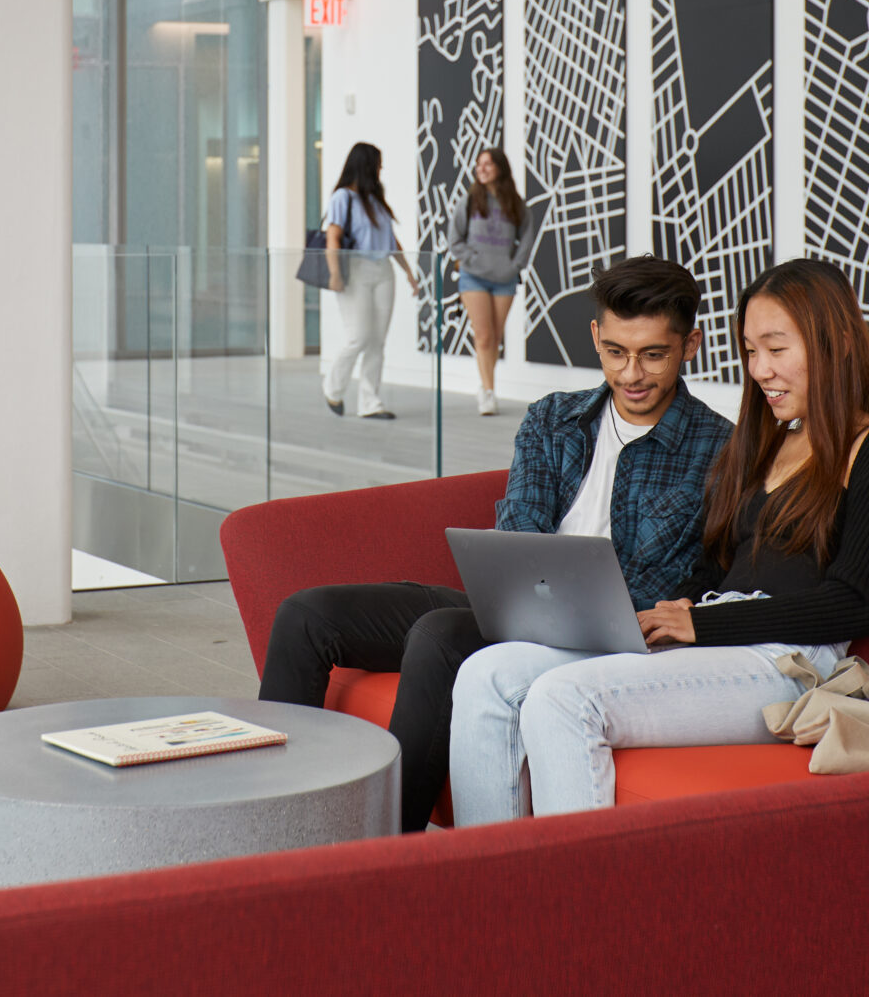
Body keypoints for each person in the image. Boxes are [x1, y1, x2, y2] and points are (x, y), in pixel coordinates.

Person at [448, 257, 869, 823]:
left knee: (564, 699)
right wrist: (678, 608)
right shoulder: (772, 442)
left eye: (776, 349)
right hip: (723, 639)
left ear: (836, 344)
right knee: (487, 674)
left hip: (790, 661)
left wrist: (703, 624)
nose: (759, 369)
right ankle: (480, 884)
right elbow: (725, 567)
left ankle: (575, 906)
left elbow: (857, 603)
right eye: (751, 351)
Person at [262, 255, 731, 832]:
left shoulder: (722, 451)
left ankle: (382, 855)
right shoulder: (554, 419)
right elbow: (519, 536)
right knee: (306, 616)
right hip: (514, 610)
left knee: (438, 635)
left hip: (606, 640)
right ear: (595, 338)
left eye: (653, 354)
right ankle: (271, 829)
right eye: (615, 352)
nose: (631, 373)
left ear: (691, 346)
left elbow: (684, 581)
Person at [320, 142, 421, 420]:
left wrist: (409, 273)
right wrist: (335, 275)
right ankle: (333, 385)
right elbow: (333, 238)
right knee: (359, 336)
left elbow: (391, 242)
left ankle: (370, 402)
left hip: (383, 270)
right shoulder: (342, 198)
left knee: (377, 341)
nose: (381, 168)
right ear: (365, 164)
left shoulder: (376, 200)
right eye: (378, 163)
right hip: (356, 270)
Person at [446, 146, 544, 417]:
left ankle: (487, 387)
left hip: (504, 278)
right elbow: (454, 240)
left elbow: (527, 234)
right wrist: (471, 260)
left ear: (500, 167)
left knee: (495, 337)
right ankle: (487, 391)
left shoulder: (515, 202)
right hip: (473, 276)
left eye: (488, 164)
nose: (482, 168)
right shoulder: (468, 201)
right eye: (479, 164)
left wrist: (516, 264)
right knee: (485, 335)